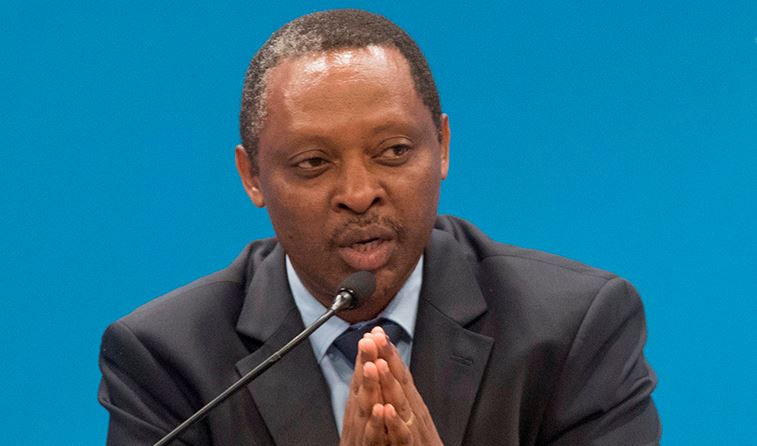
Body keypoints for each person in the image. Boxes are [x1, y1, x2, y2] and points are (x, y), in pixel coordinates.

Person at [98, 9, 661, 446]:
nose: (359, 192)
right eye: (313, 162)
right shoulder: (167, 358)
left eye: (393, 151)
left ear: (442, 146)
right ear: (252, 177)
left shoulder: (572, 329)